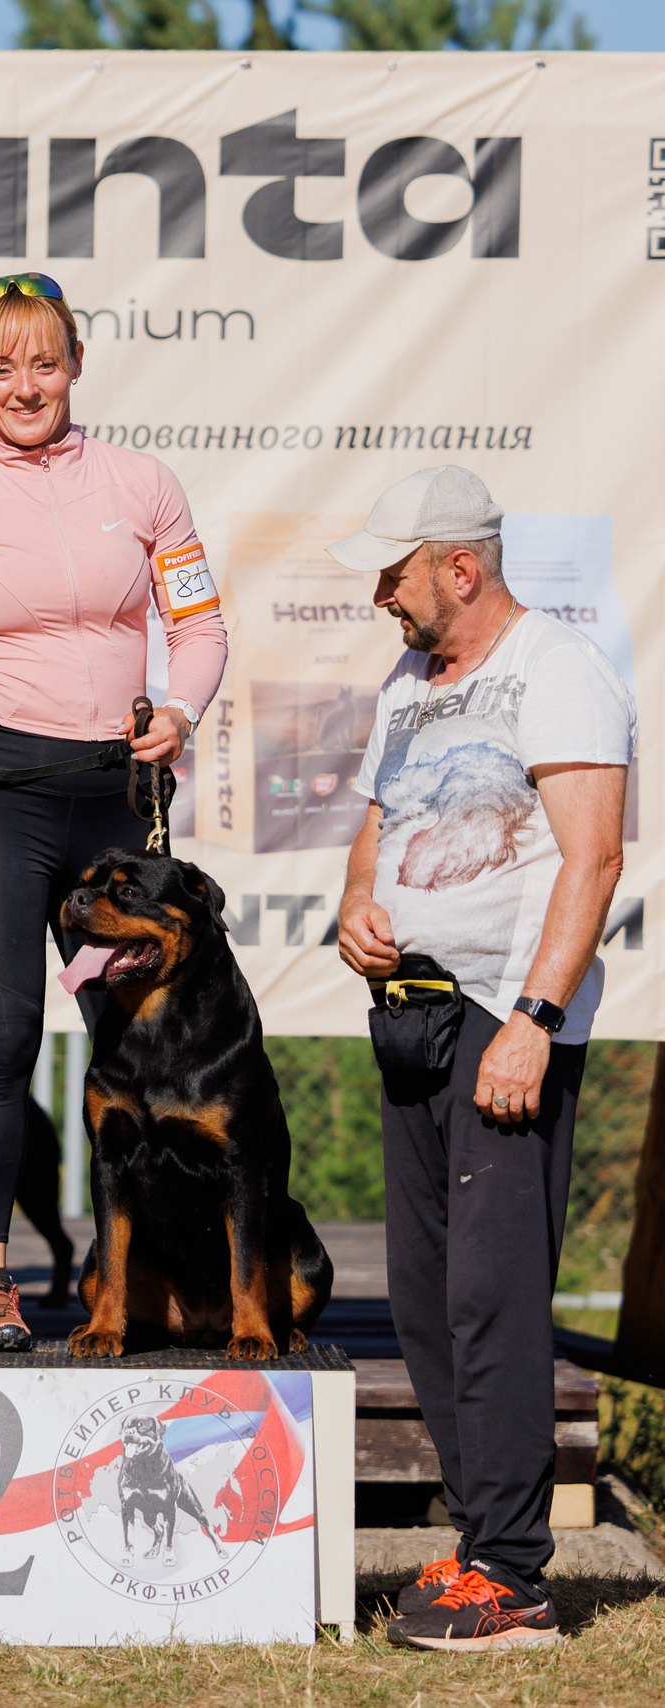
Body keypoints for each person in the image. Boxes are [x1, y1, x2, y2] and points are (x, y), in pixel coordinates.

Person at [0, 273, 227, 1352]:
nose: (26, 384)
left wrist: (181, 714)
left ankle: (141, 1271)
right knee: (4, 1033)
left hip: (115, 793)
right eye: (1, 365)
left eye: (44, 360)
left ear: (75, 364)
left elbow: (198, 632)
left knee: (134, 1045)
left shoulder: (144, 482)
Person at [331, 467, 630, 1652]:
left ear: (461, 566)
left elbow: (592, 859)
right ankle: (474, 1548)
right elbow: (373, 833)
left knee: (493, 1298)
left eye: (392, 571)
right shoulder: (407, 681)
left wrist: (532, 1018)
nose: (377, 593)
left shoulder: (555, 669)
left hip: (506, 1027)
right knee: (423, 1304)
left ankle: (511, 1574)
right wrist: (357, 905)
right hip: (411, 1019)